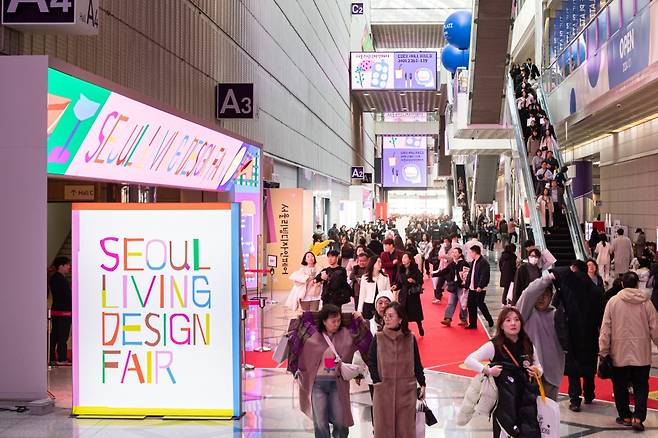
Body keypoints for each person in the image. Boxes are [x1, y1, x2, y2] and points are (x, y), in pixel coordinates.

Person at [288, 305, 372, 437]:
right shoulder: (312, 335)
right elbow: (295, 340)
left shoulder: (346, 334)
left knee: (340, 421)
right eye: (333, 321)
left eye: (339, 320)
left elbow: (365, 338)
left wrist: (359, 320)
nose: (337, 324)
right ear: (324, 321)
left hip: (337, 384)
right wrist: (302, 318)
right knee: (320, 422)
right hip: (317, 384)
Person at [465, 307, 543, 437]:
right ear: (501, 325)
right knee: (505, 432)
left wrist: (536, 371)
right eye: (508, 320)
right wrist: (488, 370)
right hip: (503, 401)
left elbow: (539, 366)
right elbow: (469, 360)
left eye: (516, 320)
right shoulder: (494, 345)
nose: (513, 323)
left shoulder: (527, 343)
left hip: (526, 399)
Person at [599, 272, 658, 432]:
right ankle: (638, 417)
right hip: (641, 354)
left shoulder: (613, 302)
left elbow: (605, 330)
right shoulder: (646, 303)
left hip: (619, 353)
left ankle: (625, 416)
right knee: (641, 385)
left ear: (622, 284)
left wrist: (603, 351)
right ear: (638, 284)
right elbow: (655, 328)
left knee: (619, 385)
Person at [368, 302, 426, 438]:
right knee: (383, 428)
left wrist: (422, 383)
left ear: (400, 319)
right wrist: (377, 381)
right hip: (383, 391)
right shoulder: (379, 337)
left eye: (391, 316)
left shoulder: (410, 338)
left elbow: (417, 363)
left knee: (405, 429)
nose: (386, 319)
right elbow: (371, 361)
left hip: (406, 391)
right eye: (385, 316)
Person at [553, 260, 604, 412]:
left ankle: (575, 400)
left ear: (574, 269)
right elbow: (601, 315)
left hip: (571, 332)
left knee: (573, 368)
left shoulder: (567, 288)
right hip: (590, 333)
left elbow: (556, 305)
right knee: (589, 364)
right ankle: (589, 393)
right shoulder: (595, 290)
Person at [516, 273, 564, 401]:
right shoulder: (526, 313)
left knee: (548, 411)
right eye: (538, 294)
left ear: (551, 296)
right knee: (528, 410)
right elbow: (528, 294)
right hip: (530, 374)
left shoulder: (557, 315)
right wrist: (547, 278)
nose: (541, 298)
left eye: (545, 295)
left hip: (551, 376)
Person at [391, 253, 425, 336]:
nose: (403, 259)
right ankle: (404, 330)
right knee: (402, 314)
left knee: (416, 313)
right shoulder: (400, 269)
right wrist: (396, 286)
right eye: (403, 258)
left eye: (405, 257)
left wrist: (413, 281)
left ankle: (420, 326)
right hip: (403, 295)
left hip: (412, 294)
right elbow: (399, 283)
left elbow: (420, 281)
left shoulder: (415, 269)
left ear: (410, 259)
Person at [464, 245, 494, 329]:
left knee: (480, 304)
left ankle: (489, 319)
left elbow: (484, 275)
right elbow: (470, 274)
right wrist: (466, 286)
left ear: (475, 252)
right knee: (471, 306)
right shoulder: (474, 261)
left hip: (479, 288)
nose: (470, 254)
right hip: (472, 287)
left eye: (471, 252)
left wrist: (480, 286)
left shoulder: (483, 262)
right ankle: (472, 324)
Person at [49, 256, 72, 365]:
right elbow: (67, 296)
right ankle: (62, 358)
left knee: (56, 334)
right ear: (61, 266)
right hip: (63, 311)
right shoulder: (60, 279)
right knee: (62, 335)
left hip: (58, 310)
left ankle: (53, 357)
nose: (69, 267)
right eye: (67, 265)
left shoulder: (55, 278)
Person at [438, 247, 469, 326]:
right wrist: (435, 274)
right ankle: (447, 319)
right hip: (453, 286)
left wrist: (465, 286)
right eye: (453, 252)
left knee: (462, 304)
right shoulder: (452, 263)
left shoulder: (464, 263)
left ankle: (464, 319)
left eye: (455, 252)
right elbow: (445, 271)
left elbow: (466, 275)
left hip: (461, 286)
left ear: (460, 254)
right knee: (450, 303)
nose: (453, 254)